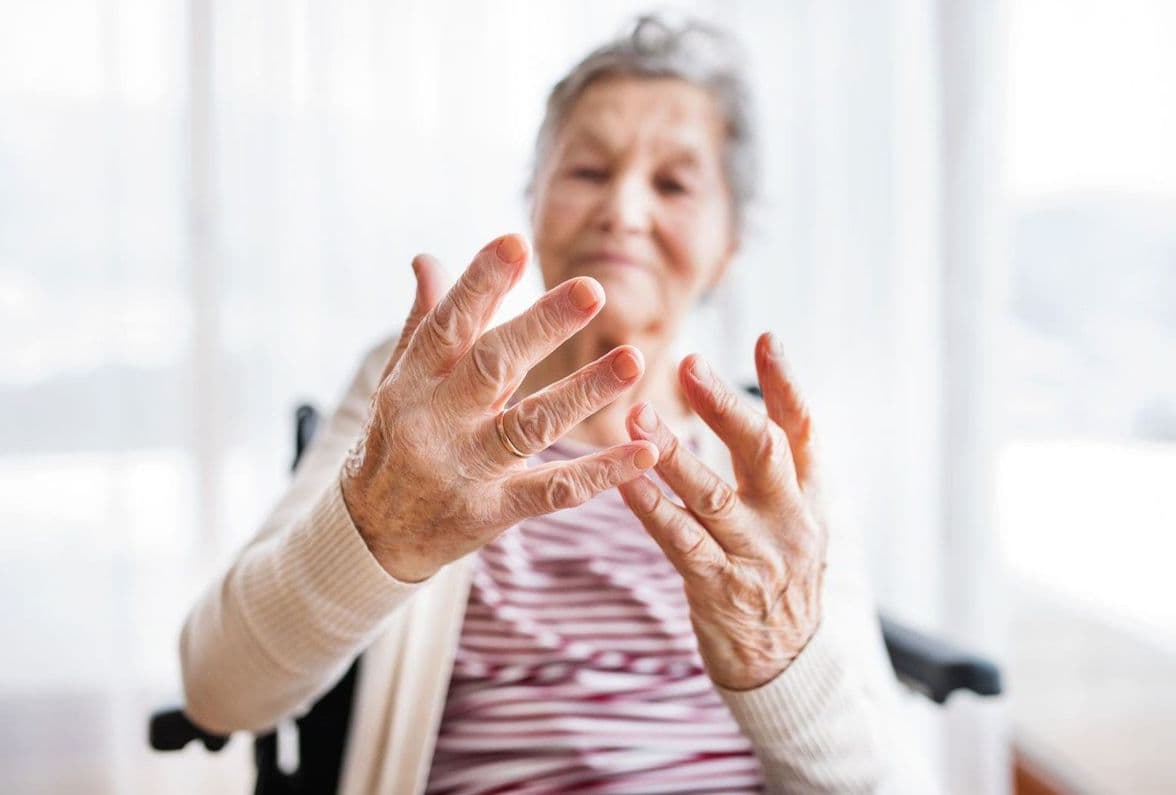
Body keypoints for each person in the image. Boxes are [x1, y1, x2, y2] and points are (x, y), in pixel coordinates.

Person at [180, 15, 926, 795]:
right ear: (534, 198)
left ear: (729, 243)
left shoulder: (769, 457)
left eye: (673, 183)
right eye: (587, 171)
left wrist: (781, 662)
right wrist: (377, 530)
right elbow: (218, 689)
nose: (624, 211)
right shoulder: (417, 400)